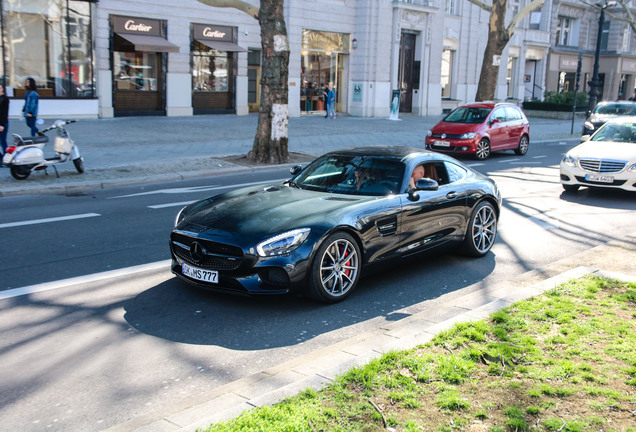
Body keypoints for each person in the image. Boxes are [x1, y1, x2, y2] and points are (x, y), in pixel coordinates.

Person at [0, 84, 9, 164]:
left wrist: (2, 125)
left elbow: (4, 113)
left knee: (3, 142)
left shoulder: (5, 99)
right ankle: (1, 159)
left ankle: (6, 158)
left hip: (2, 124)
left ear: (2, 89)